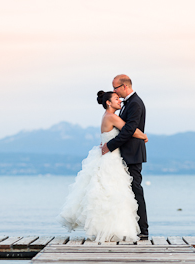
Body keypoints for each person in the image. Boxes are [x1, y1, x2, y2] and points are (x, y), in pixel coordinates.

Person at [58, 90, 148, 242]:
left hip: (110, 156)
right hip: (111, 159)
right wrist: (144, 136)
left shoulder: (107, 116)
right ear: (108, 102)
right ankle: (113, 230)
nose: (119, 100)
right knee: (113, 194)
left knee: (107, 194)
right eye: (116, 99)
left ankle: (108, 229)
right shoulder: (112, 117)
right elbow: (131, 131)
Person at [101, 75, 149, 239]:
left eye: (115, 88)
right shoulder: (127, 104)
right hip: (125, 154)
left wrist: (110, 145)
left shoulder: (135, 103)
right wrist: (142, 135)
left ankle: (143, 230)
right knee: (126, 192)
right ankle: (127, 227)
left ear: (124, 86)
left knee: (136, 191)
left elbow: (129, 130)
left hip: (133, 154)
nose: (114, 91)